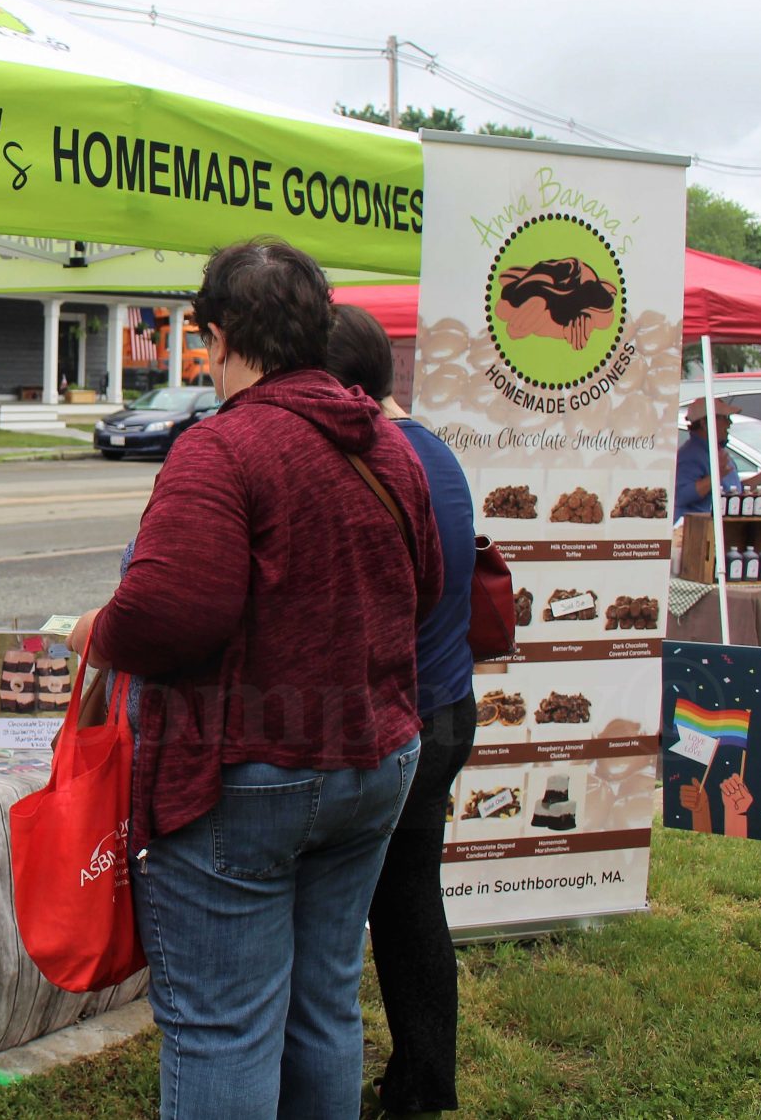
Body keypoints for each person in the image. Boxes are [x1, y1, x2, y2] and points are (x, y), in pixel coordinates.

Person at [71, 240, 441, 1120]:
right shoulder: (391, 448)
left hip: (250, 776)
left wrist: (102, 629)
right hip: (374, 761)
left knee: (221, 1027)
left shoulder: (222, 449)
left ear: (219, 335)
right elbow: (423, 588)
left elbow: (171, 610)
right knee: (323, 1006)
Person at [325, 303, 477, 1117]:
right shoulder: (434, 449)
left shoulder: (382, 462)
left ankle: (333, 1077)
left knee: (350, 915)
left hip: (404, 720)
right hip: (450, 703)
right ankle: (420, 1083)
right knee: (411, 901)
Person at [674, 396, 761, 517]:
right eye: (724, 418)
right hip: (699, 531)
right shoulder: (691, 456)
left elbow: (734, 490)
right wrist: (715, 476)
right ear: (705, 423)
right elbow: (680, 496)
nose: (729, 423)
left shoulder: (715, 452)